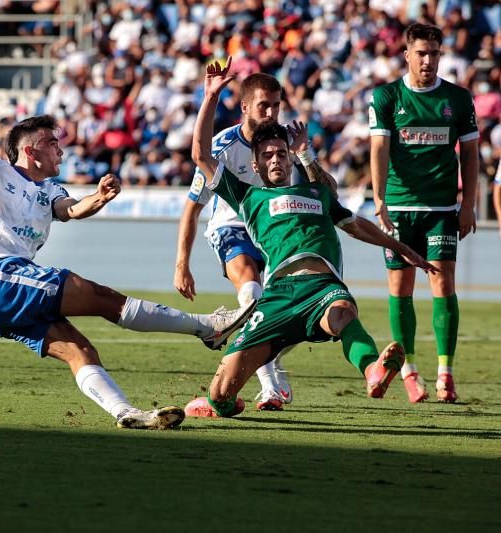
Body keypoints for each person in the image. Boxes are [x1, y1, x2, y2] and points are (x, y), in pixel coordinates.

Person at [0, 101, 255, 430]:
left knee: (80, 349)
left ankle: (126, 413)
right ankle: (206, 327)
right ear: (29, 149)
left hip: (10, 295)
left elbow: (71, 209)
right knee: (97, 295)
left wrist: (100, 197)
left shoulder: (49, 189)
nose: (60, 148)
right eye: (51, 142)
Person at [186, 59, 439, 418]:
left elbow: (355, 224)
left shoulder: (316, 193)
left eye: (281, 154)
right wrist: (210, 97)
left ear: (290, 159)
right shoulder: (247, 196)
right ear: (256, 165)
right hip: (277, 296)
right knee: (222, 392)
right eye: (267, 155)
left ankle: (373, 369)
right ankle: (218, 403)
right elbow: (200, 155)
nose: (276, 159)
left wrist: (401, 247)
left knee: (343, 314)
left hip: (322, 287)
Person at [174, 72, 337, 412]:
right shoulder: (223, 146)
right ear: (245, 106)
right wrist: (182, 265)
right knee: (250, 290)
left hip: (279, 232)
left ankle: (263, 364)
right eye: (264, 105)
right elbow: (192, 208)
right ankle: (271, 386)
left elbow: (326, 193)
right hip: (233, 227)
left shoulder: (286, 144)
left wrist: (305, 156)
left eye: (276, 106)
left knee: (283, 310)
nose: (271, 113)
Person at [369, 23, 479, 403]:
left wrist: (469, 204)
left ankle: (445, 373)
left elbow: (470, 154)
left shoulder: (458, 100)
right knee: (400, 288)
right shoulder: (386, 97)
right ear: (407, 55)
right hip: (399, 208)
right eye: (421, 53)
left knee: (442, 283)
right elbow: (379, 149)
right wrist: (379, 197)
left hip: (441, 208)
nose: (428, 60)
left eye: (434, 53)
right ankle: (409, 371)